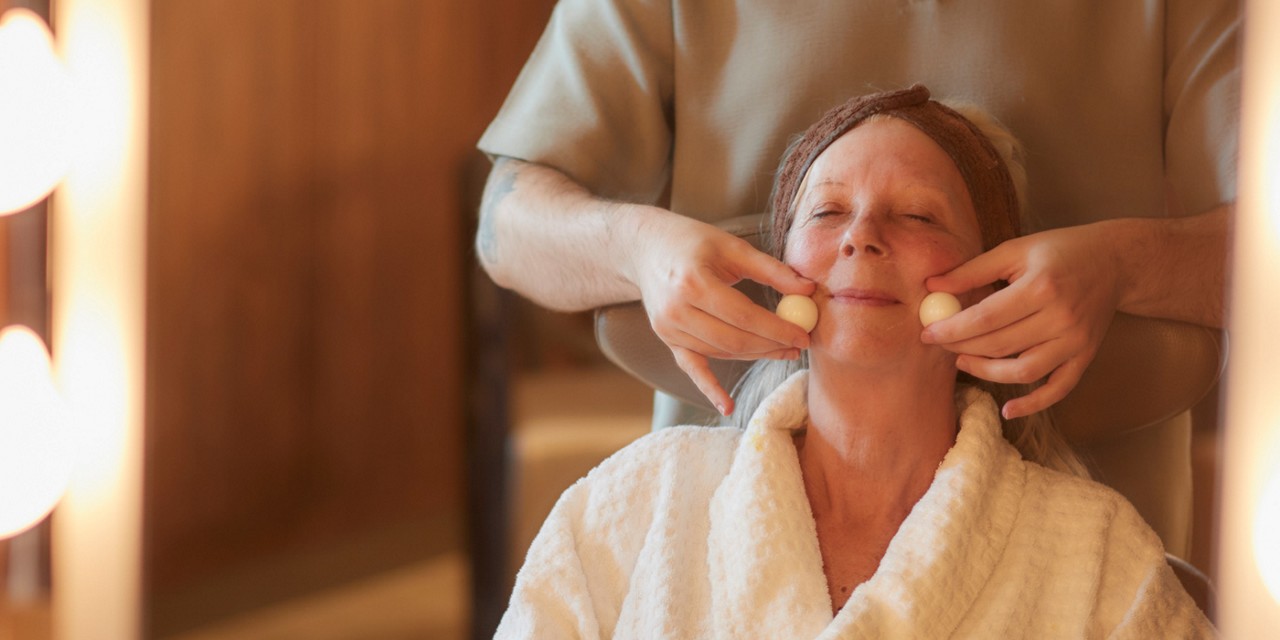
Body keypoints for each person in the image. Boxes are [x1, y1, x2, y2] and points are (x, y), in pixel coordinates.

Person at [493, 87, 1212, 638]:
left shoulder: (1095, 555)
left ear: (993, 288)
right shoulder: (633, 506)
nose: (861, 237)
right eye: (827, 212)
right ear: (780, 278)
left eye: (920, 216)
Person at [476, 0, 1237, 429]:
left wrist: (1122, 268)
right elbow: (506, 229)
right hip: (733, 541)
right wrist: (637, 248)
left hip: (1081, 546)